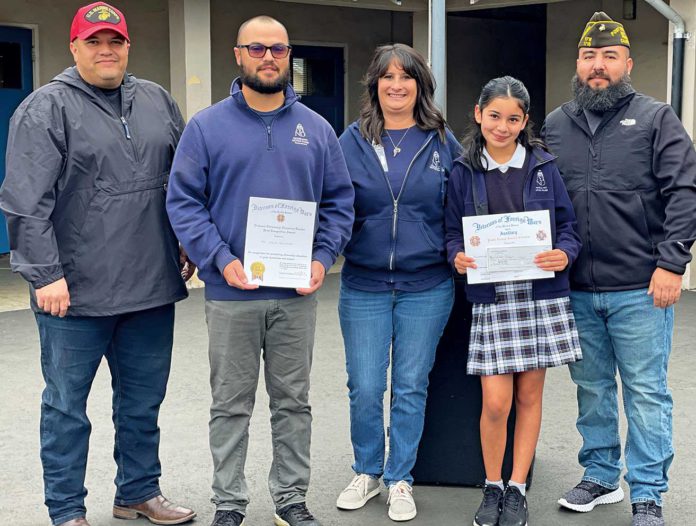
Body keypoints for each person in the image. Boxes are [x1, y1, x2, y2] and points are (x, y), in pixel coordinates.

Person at [0, 3, 196, 526]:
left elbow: (181, 184)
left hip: (152, 286)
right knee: (66, 411)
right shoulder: (45, 110)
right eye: (94, 41)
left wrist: (187, 243)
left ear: (128, 46)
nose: (106, 50)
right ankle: (66, 511)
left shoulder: (156, 100)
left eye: (115, 41)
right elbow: (25, 201)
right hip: (75, 293)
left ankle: (138, 492)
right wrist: (45, 275)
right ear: (74, 47)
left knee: (141, 405)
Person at [166, 15, 354, 526]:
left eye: (277, 49)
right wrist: (220, 261)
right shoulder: (206, 127)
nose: (268, 57)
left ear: (289, 55)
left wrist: (321, 258)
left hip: (296, 294)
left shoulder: (316, 130)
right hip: (232, 294)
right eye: (257, 48)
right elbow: (184, 202)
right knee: (230, 406)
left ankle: (291, 499)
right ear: (238, 54)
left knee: (293, 403)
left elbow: (339, 203)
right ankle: (229, 503)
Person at [542, 12, 696, 526]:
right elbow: (540, 200)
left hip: (640, 288)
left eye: (610, 56)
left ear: (627, 63)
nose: (598, 66)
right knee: (592, 388)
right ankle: (601, 475)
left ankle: (648, 492)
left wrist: (672, 263)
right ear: (578, 64)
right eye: (590, 56)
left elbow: (683, 193)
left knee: (646, 391)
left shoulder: (657, 119)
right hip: (577, 288)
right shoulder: (556, 124)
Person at [445, 76, 582, 526]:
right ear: (478, 115)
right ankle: (492, 485)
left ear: (525, 123)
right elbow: (450, 232)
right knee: (496, 402)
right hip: (491, 296)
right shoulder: (463, 170)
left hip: (539, 294)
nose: (502, 127)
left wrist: (564, 253)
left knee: (528, 395)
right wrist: (456, 256)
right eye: (494, 116)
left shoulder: (543, 166)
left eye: (513, 119)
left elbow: (568, 228)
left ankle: (517, 487)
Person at [334, 43, 460, 522]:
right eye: (387, 77)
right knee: (365, 385)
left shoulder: (442, 142)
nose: (396, 85)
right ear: (375, 85)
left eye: (406, 77)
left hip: (427, 285)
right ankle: (367, 470)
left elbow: (462, 209)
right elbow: (330, 204)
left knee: (410, 385)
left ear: (420, 85)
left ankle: (399, 477)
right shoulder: (351, 140)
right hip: (363, 283)